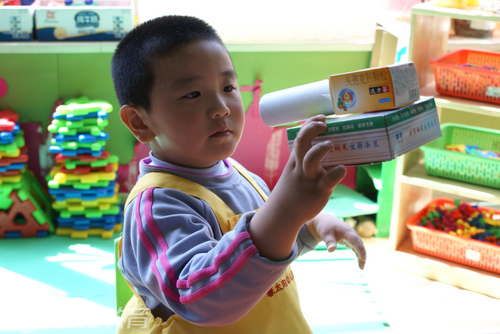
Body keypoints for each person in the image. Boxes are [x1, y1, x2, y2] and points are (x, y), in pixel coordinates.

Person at [111, 15, 367, 333]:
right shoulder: (155, 207)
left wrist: (311, 225)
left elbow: (267, 256)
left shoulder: (244, 176)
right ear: (140, 122)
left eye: (228, 87)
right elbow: (200, 300)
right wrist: (287, 211)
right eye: (192, 94)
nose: (222, 107)